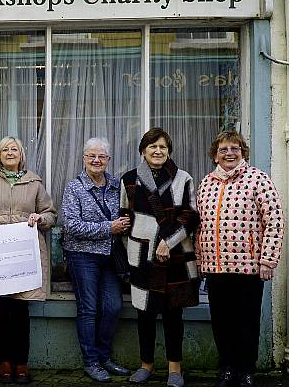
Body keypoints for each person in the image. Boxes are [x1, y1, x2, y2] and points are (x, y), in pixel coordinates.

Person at [195, 130, 284, 387]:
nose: (229, 153)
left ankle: (246, 369)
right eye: (223, 149)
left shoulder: (258, 179)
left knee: (246, 322)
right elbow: (200, 226)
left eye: (235, 148)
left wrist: (267, 260)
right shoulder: (206, 183)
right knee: (222, 322)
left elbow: (275, 221)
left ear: (243, 152)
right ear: (215, 156)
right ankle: (227, 368)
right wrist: (201, 260)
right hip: (215, 267)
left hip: (248, 268)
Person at [0, 136, 57, 384]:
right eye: (5, 149)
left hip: (23, 256)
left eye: (14, 149)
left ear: (21, 155)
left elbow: (51, 214)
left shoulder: (34, 183)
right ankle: (3, 361)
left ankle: (21, 363)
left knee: (19, 310)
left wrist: (40, 218)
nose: (10, 152)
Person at [119, 128, 200, 387]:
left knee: (173, 315)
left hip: (176, 257)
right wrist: (135, 248)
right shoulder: (129, 180)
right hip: (142, 257)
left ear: (169, 151)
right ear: (143, 151)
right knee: (145, 314)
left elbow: (191, 215)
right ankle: (146, 366)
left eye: (163, 147)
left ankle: (175, 370)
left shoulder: (183, 178)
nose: (158, 151)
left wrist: (169, 241)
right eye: (152, 146)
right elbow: (125, 219)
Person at [62, 137, 131, 382]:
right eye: (92, 156)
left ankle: (104, 357)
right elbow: (70, 226)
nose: (96, 160)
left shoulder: (116, 185)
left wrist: (125, 224)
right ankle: (91, 362)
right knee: (89, 309)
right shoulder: (74, 187)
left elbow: (124, 215)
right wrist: (108, 228)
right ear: (84, 158)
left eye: (101, 156)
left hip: (110, 257)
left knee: (113, 306)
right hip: (82, 256)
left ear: (108, 160)